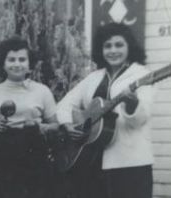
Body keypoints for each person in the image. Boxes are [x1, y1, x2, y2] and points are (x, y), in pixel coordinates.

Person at [57, 23, 154, 198]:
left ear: (129, 47)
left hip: (130, 164)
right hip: (92, 162)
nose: (113, 50)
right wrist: (67, 125)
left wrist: (132, 105)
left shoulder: (141, 75)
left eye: (119, 45)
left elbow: (141, 118)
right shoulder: (94, 77)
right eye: (107, 45)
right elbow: (64, 105)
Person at [0, 36, 59, 198]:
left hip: (34, 157)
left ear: (29, 64)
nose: (17, 64)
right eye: (11, 59)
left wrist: (39, 127)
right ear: (3, 64)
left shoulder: (42, 91)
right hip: (0, 159)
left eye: (22, 59)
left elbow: (56, 126)